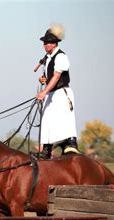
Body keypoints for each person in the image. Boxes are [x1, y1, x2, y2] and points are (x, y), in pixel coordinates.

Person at [36, 23, 79, 159]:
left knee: (64, 118)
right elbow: (50, 77)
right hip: (51, 92)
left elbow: (57, 76)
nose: (45, 45)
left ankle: (71, 144)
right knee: (47, 119)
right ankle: (46, 149)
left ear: (55, 44)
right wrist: (44, 80)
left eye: (48, 43)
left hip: (61, 92)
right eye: (44, 43)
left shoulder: (61, 57)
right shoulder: (48, 58)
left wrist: (43, 92)